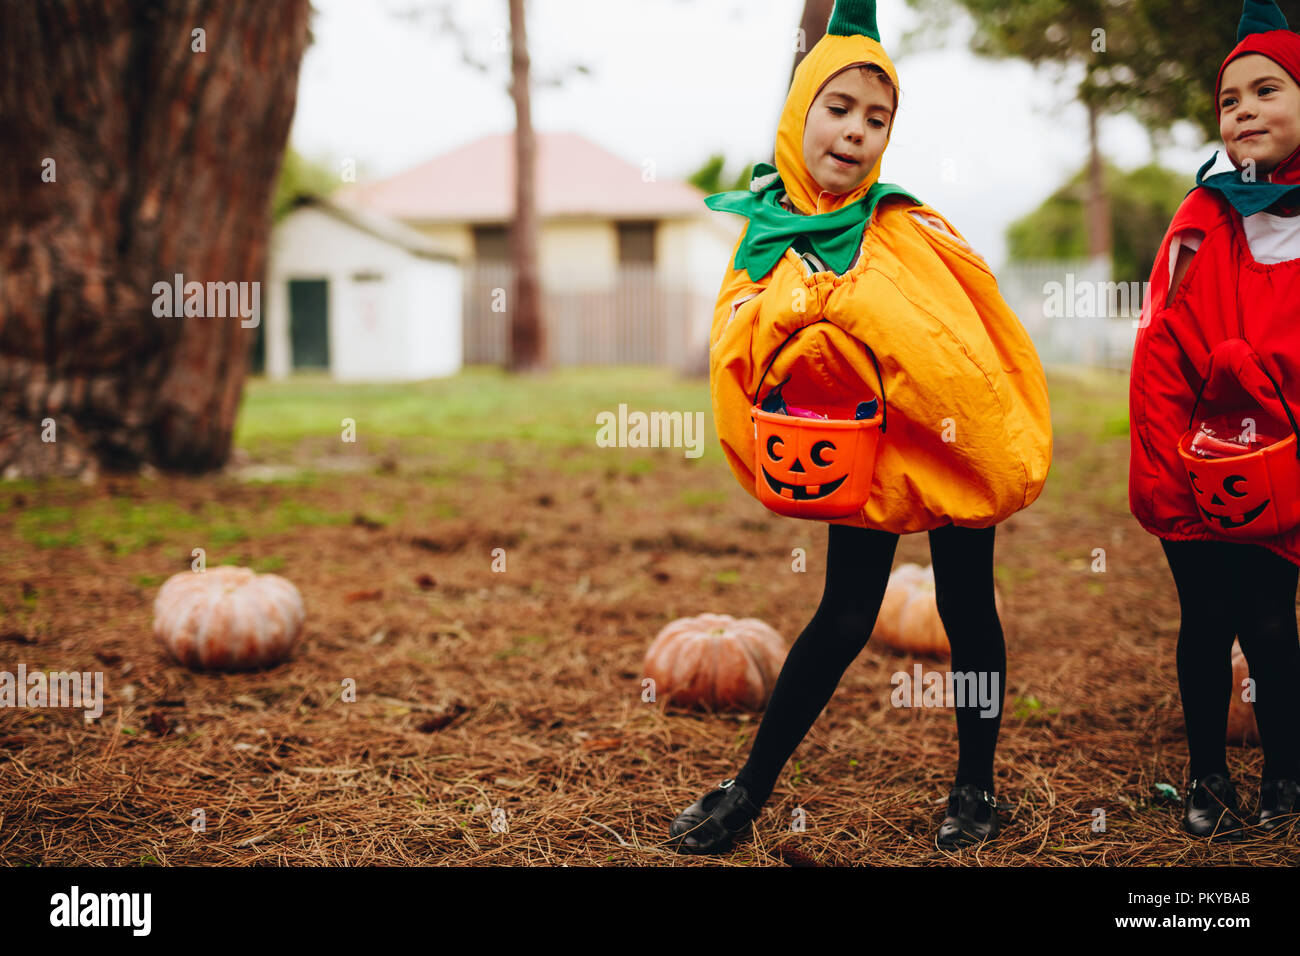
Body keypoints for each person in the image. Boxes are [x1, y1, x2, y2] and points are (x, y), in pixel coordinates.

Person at [667, 0, 1052, 854]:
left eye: (877, 118)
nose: (857, 132)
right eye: (838, 109)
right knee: (844, 614)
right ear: (800, 114)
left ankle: (975, 788)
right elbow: (742, 340)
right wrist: (809, 307)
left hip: (947, 443)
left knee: (966, 606)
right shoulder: (768, 231)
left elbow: (961, 340)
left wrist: (839, 310)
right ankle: (748, 789)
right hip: (856, 450)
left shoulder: (908, 228)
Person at [1129, 0, 1300, 842]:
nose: (1245, 112)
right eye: (1230, 101)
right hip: (1197, 465)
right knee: (1205, 623)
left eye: (1267, 90)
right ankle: (1206, 774)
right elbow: (1164, 345)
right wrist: (1170, 465)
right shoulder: (1201, 219)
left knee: (1271, 621)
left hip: (1284, 465)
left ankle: (1284, 772)